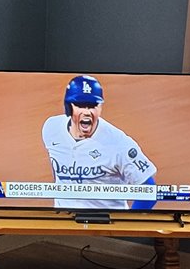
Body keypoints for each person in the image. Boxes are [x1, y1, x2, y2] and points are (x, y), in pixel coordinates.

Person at [40, 75, 157, 209]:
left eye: (92, 106)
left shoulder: (118, 143)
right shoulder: (51, 129)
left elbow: (149, 191)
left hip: (106, 226)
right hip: (66, 224)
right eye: (80, 105)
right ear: (68, 107)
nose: (87, 112)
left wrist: (125, 225)